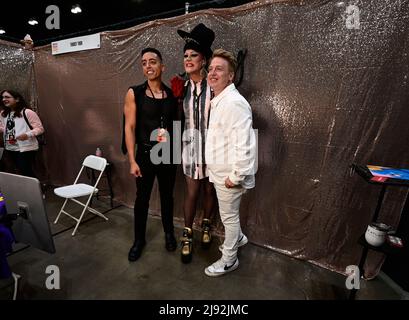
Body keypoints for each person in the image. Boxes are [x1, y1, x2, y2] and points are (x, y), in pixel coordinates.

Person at [204, 49, 256, 277]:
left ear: (231, 76)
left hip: (229, 176)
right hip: (220, 172)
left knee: (229, 218)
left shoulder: (234, 103)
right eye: (211, 68)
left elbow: (245, 144)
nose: (213, 73)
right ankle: (240, 239)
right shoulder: (219, 100)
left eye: (219, 69)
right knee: (230, 216)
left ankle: (229, 259)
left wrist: (235, 177)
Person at [123, 48, 178, 262]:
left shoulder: (172, 93)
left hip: (168, 152)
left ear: (162, 66)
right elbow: (129, 127)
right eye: (144, 63)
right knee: (142, 199)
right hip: (145, 153)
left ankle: (169, 233)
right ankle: (139, 240)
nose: (148, 66)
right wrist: (132, 160)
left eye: (153, 62)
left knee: (167, 196)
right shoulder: (134, 92)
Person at [175, 23, 217, 263]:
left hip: (213, 147)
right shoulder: (180, 87)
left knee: (209, 189)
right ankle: (188, 234)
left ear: (204, 60)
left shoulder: (215, 85)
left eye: (194, 55)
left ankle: (208, 225)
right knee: (192, 191)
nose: (188, 59)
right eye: (186, 56)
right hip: (191, 145)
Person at [0, 90, 44, 178]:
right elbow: (4, 128)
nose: (4, 99)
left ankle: (36, 190)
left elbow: (40, 129)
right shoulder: (3, 114)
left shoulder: (27, 112)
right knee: (20, 171)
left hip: (26, 148)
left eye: (7, 97)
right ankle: (28, 189)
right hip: (10, 147)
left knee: (26, 171)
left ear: (17, 99)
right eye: (3, 97)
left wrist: (27, 135)